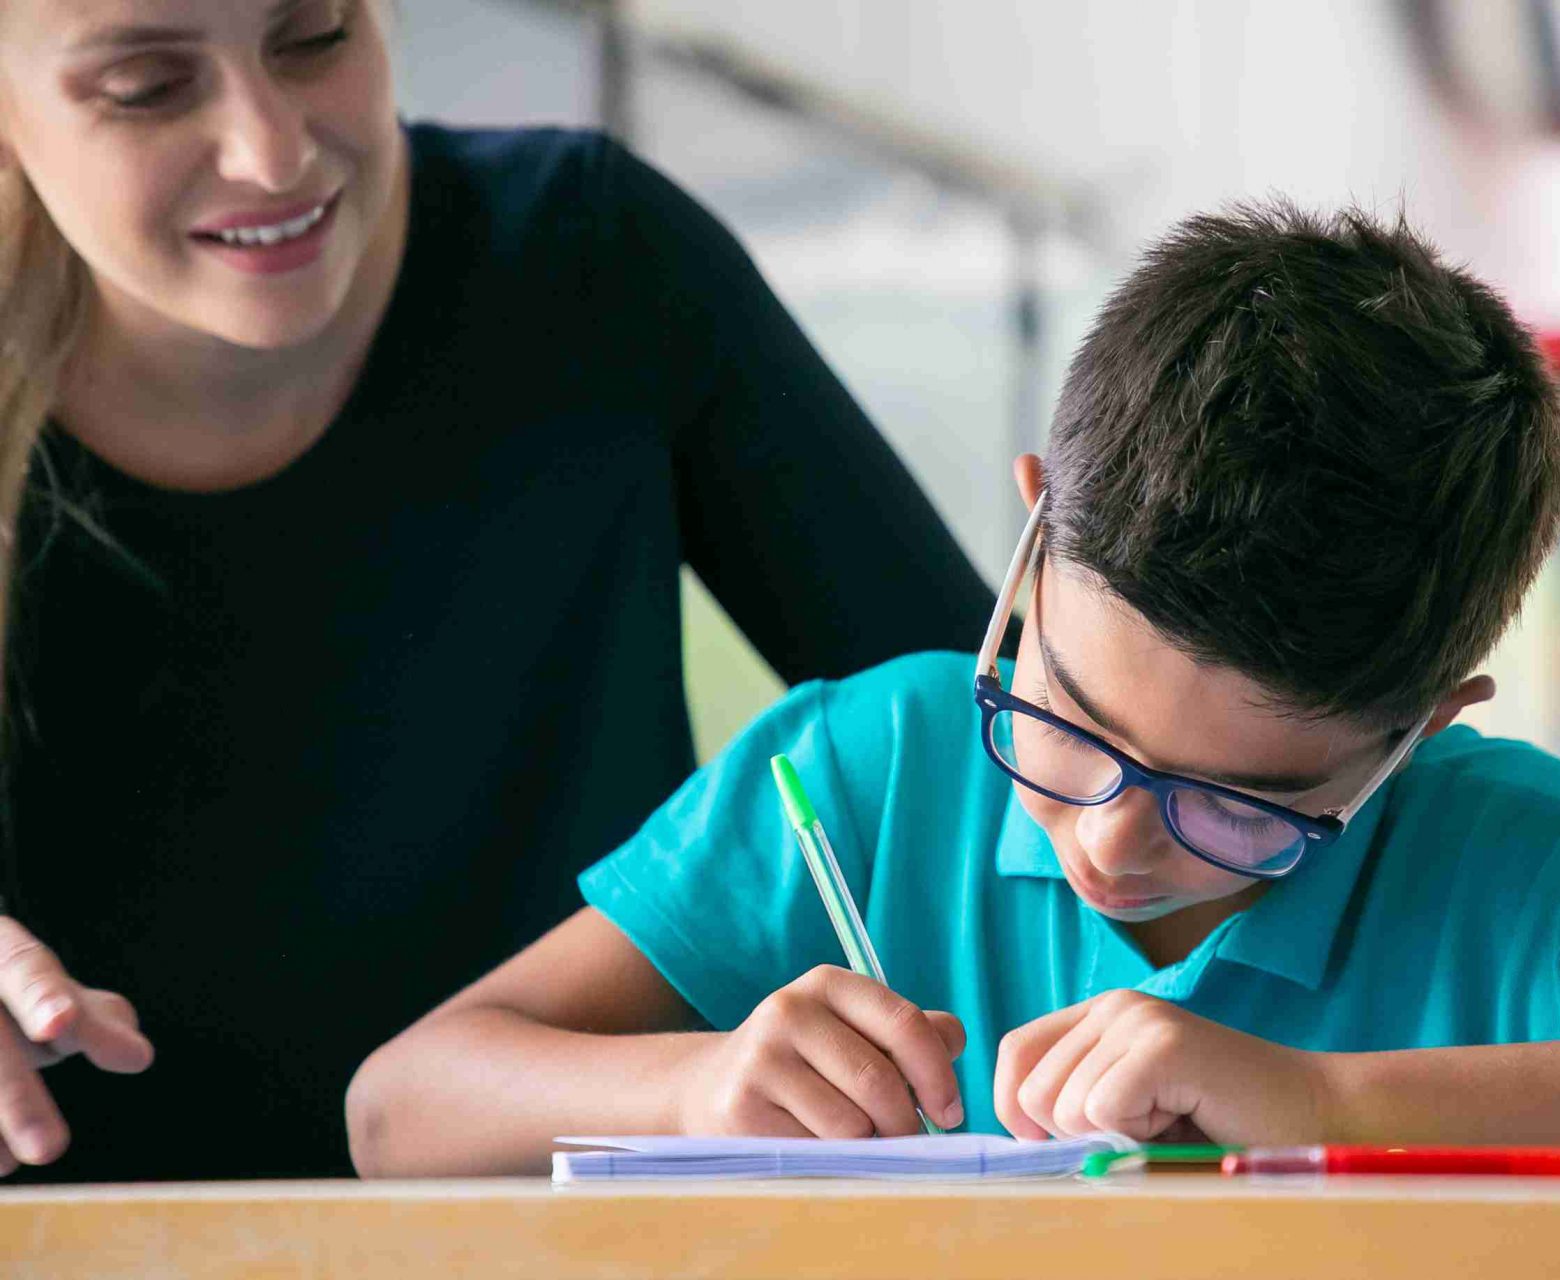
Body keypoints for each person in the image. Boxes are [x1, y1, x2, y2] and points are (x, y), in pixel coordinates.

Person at [349, 199, 1560, 1182]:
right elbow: (398, 1111)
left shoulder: (1529, 876)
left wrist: (1328, 1103)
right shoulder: (862, 772)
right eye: (1063, 723)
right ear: (1034, 531)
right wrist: (701, 1082)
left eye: (1244, 807)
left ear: (1427, 724)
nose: (1107, 846)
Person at [0, 0, 1004, 1182]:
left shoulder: (591, 255)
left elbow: (1007, 734)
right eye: (147, 89)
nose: (271, 151)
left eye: (314, 35)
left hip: (570, 1238)